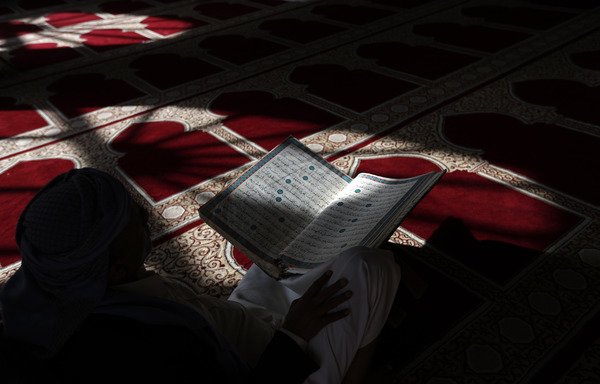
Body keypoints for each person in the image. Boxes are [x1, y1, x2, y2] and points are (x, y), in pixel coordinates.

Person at [0, 168, 401, 383]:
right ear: (116, 267)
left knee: (279, 261)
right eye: (131, 220)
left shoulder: (61, 290)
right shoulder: (140, 348)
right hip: (274, 365)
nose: (144, 214)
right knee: (368, 267)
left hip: (227, 332)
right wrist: (294, 334)